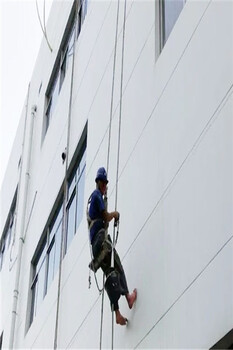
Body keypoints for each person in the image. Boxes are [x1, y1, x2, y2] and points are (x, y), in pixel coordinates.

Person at [87, 167, 137, 326]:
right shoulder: (96, 196)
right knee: (118, 264)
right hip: (101, 241)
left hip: (95, 248)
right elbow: (106, 217)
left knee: (110, 273)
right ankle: (128, 296)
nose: (105, 187)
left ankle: (117, 313)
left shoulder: (93, 199)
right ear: (101, 183)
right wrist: (115, 214)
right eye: (105, 184)